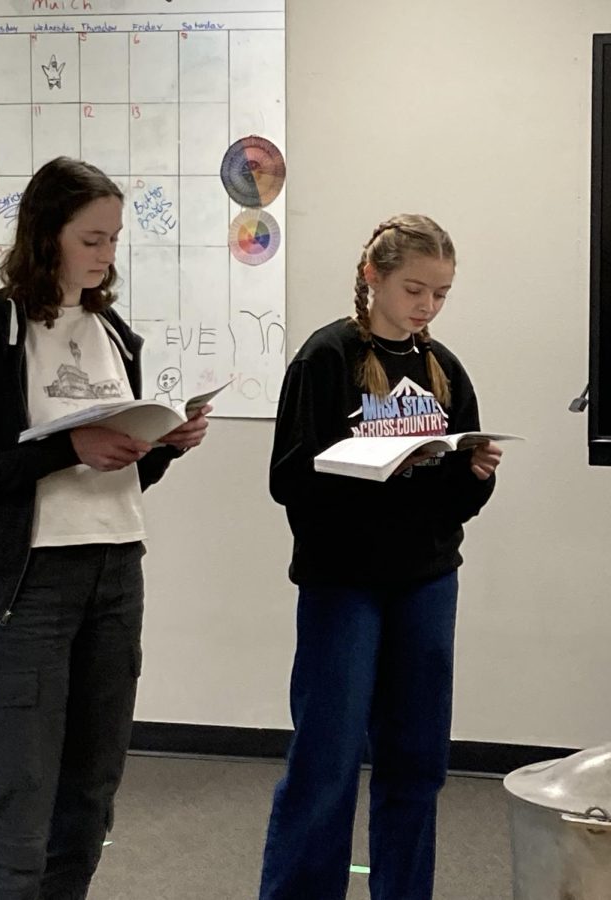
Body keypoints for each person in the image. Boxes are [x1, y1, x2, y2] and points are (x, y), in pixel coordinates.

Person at [0, 156, 210, 898]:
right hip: (27, 589)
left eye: (113, 241)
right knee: (21, 803)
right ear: (46, 234)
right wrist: (68, 448)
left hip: (114, 573)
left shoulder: (113, 330)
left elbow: (116, 472)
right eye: (92, 240)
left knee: (89, 798)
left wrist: (160, 448)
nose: (106, 257)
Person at [258, 214, 503, 900]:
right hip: (345, 583)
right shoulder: (327, 357)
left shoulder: (442, 368)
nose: (425, 306)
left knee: (417, 761)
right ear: (373, 278)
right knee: (327, 759)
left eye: (440, 294)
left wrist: (472, 472)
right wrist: (370, 467)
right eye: (414, 289)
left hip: (426, 582)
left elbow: (457, 502)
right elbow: (289, 480)